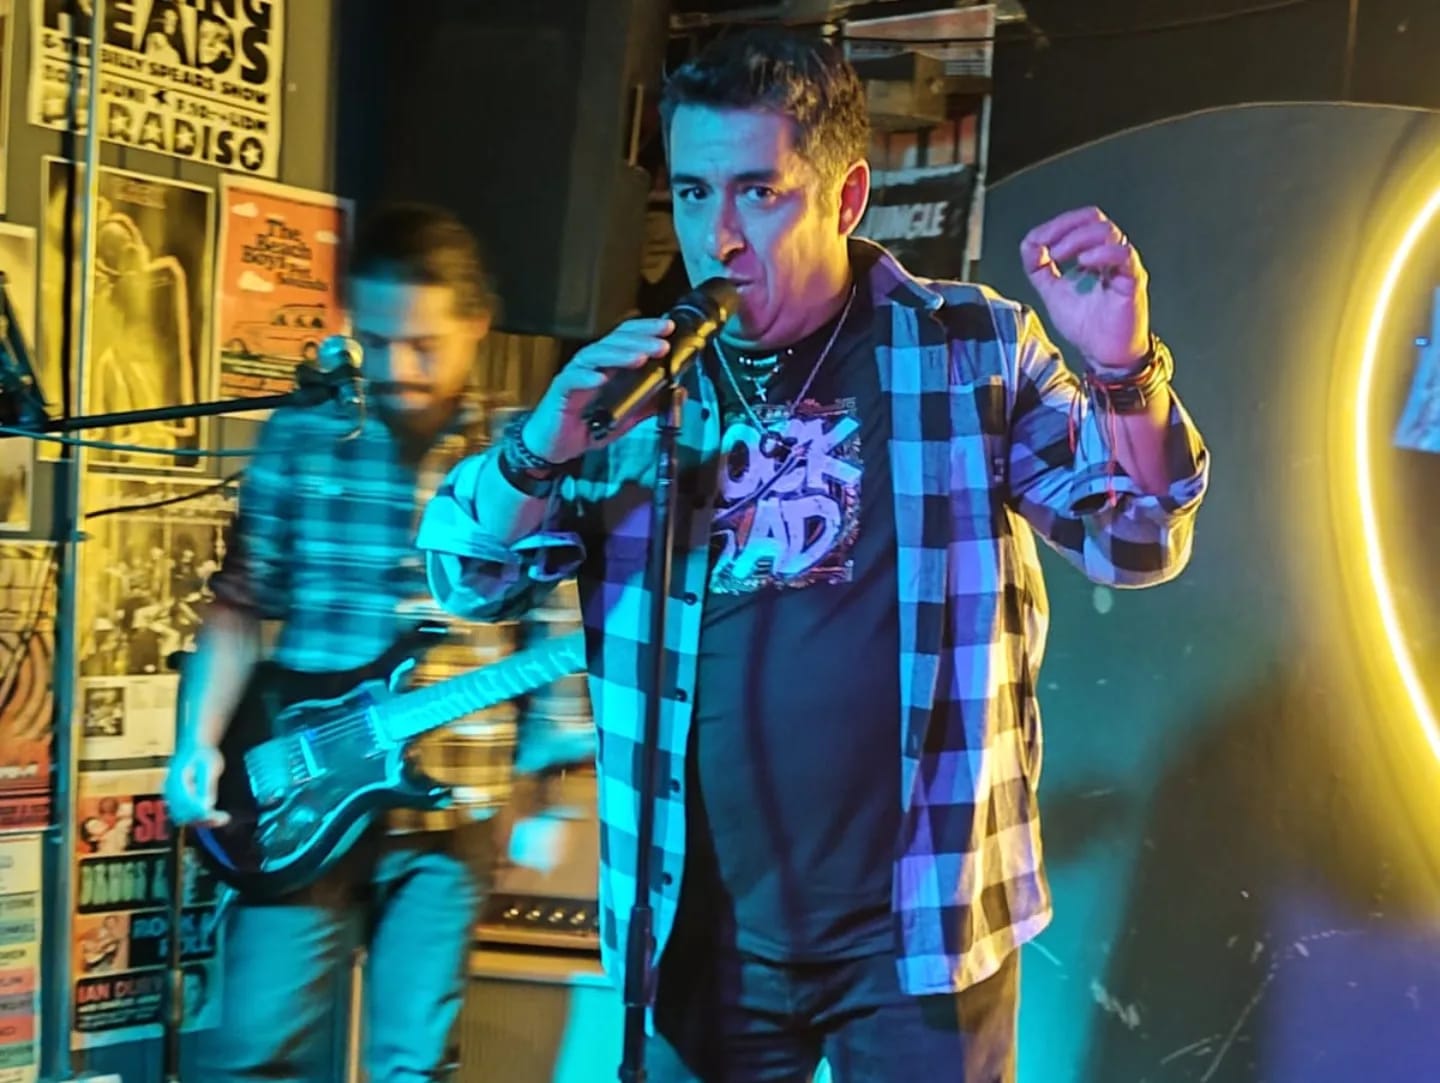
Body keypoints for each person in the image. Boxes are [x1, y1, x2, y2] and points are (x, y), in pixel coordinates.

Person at [416, 27, 1209, 1083]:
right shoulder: (637, 388)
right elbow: (467, 579)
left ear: (846, 198)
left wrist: (1123, 373)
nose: (719, 236)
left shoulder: (968, 347)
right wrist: (541, 445)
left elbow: (1135, 542)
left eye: (759, 192)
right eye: (693, 193)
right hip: (699, 931)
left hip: (921, 929)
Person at [163, 203, 568, 1082]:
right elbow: (239, 601)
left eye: (422, 344)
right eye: (377, 342)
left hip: (453, 796)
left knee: (412, 1065)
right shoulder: (303, 434)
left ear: (476, 322)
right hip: (297, 789)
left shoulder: (523, 455)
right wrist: (197, 739)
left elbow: (555, 628)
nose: (396, 369)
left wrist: (541, 788)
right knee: (252, 1052)